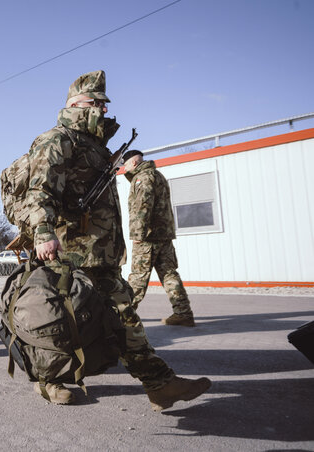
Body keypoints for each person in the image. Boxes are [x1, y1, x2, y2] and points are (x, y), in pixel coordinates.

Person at [25, 70, 210, 409]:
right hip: (67, 254)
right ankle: (47, 380)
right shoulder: (58, 139)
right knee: (58, 321)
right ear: (75, 104)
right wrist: (43, 232)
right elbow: (39, 191)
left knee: (124, 317)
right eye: (96, 103)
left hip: (101, 254)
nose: (103, 110)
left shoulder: (96, 148)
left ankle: (159, 384)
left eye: (104, 104)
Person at [123, 150, 195, 327]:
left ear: (132, 163)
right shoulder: (158, 175)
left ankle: (123, 318)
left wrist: (138, 235)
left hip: (147, 237)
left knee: (138, 278)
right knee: (169, 274)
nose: (124, 169)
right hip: (164, 235)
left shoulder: (142, 178)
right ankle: (183, 313)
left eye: (124, 165)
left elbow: (143, 206)